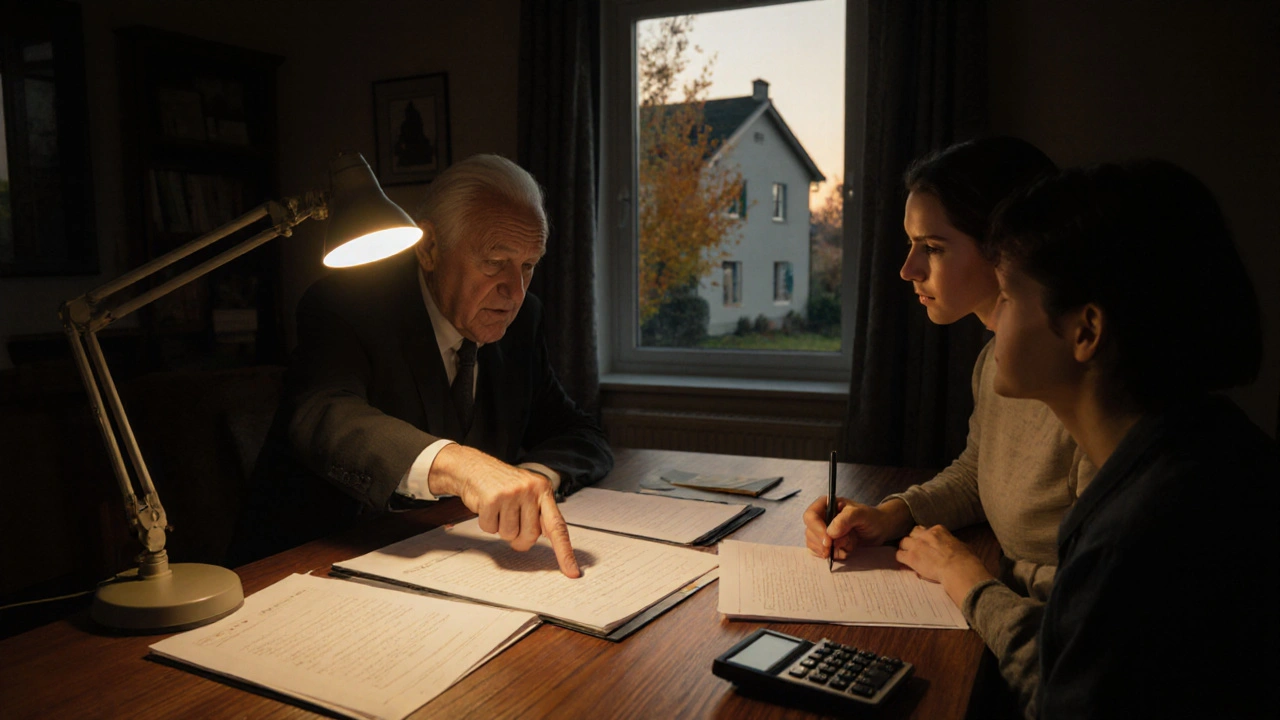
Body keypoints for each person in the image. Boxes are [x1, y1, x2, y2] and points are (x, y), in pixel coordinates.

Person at [900, 159, 1278, 718]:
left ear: (1086, 331)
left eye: (1008, 294)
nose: (995, 318)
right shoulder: (1200, 447)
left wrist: (968, 580)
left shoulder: (1140, 539)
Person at [803, 137, 1091, 712]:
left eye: (931, 246)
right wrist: (891, 514)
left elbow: (1077, 668)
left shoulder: (1084, 397)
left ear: (1006, 247)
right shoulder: (996, 365)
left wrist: (962, 573)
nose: (908, 269)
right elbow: (978, 470)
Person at [230, 154, 613, 578]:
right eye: (493, 262)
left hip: (450, 563)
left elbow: (581, 434)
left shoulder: (523, 323)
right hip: (309, 564)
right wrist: (462, 466)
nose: (515, 291)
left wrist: (530, 481)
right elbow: (324, 414)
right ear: (430, 249)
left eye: (528, 266)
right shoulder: (346, 304)